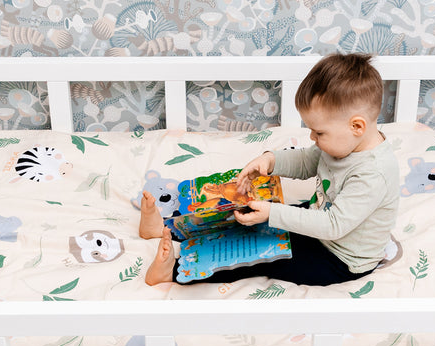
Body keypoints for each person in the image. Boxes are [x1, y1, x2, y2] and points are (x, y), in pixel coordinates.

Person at [141, 52, 400, 287]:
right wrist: (270, 162)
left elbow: (334, 225)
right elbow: (310, 161)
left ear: (357, 126)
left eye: (319, 132)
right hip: (317, 222)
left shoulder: (372, 174)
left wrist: (273, 213)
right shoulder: (343, 143)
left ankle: (173, 272)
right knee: (243, 218)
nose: (312, 137)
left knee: (258, 255)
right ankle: (169, 227)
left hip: (341, 257)